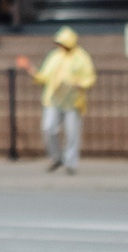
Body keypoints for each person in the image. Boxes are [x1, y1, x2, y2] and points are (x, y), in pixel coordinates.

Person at [21, 26, 97, 173]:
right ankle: (56, 157)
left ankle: (70, 163)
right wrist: (31, 70)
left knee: (72, 132)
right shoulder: (55, 56)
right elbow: (44, 76)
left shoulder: (81, 57)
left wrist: (81, 84)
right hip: (53, 99)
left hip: (73, 100)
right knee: (48, 128)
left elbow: (90, 77)